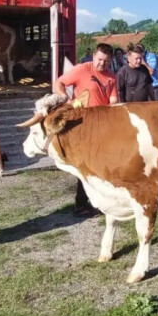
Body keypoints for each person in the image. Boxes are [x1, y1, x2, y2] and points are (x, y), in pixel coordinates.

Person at [54, 43, 119, 216]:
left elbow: (113, 101)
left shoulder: (112, 77)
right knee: (85, 165)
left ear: (110, 60)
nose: (101, 64)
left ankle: (102, 201)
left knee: (103, 165)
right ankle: (81, 204)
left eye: (105, 61)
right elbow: (59, 82)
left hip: (103, 127)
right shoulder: (82, 69)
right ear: (94, 57)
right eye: (99, 60)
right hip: (82, 126)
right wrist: (64, 97)